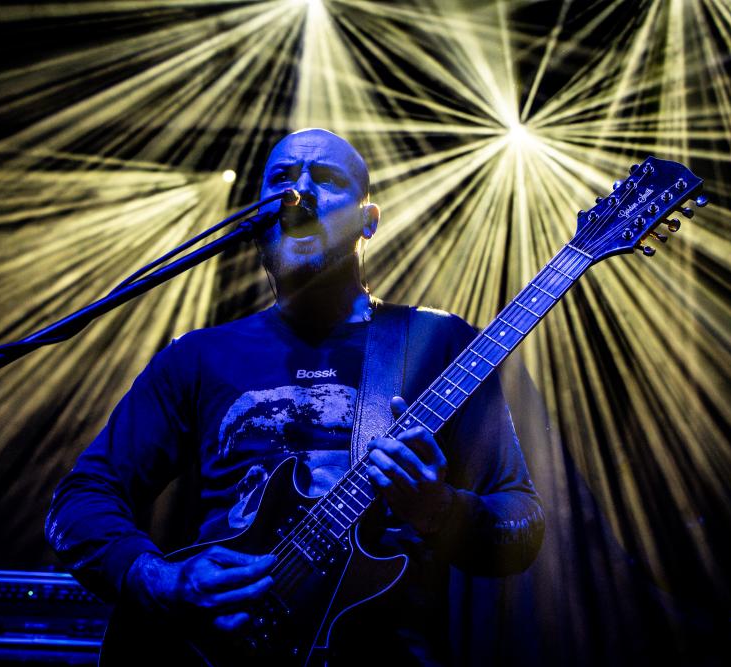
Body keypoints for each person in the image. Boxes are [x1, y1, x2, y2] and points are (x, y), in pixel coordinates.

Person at [46, 128, 544, 664]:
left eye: (326, 179)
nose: (299, 191)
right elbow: (80, 499)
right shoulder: (198, 356)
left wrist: (440, 509)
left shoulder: (438, 342)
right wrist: (159, 579)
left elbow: (522, 523)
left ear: (368, 221)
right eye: (281, 179)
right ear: (259, 214)